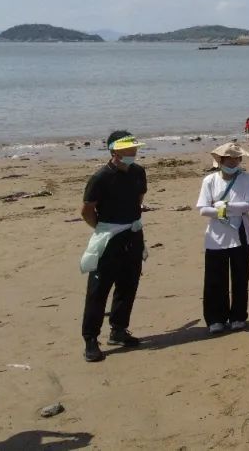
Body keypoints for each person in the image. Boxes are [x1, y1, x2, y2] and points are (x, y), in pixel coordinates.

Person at [80, 131, 148, 362]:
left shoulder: (138, 172)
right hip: (108, 237)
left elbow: (138, 200)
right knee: (99, 289)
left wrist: (129, 225)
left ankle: (119, 329)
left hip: (133, 233)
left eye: (134, 148)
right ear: (114, 151)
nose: (133, 152)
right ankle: (90, 338)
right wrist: (103, 228)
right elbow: (87, 210)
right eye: (128, 149)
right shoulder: (101, 177)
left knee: (128, 284)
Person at [197, 143, 249, 334]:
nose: (233, 162)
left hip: (241, 234)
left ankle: (239, 316)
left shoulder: (247, 178)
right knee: (215, 280)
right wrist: (221, 210)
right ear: (220, 161)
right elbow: (203, 209)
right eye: (229, 159)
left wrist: (224, 206)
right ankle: (216, 319)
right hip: (216, 237)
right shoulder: (210, 180)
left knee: (240, 277)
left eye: (237, 158)